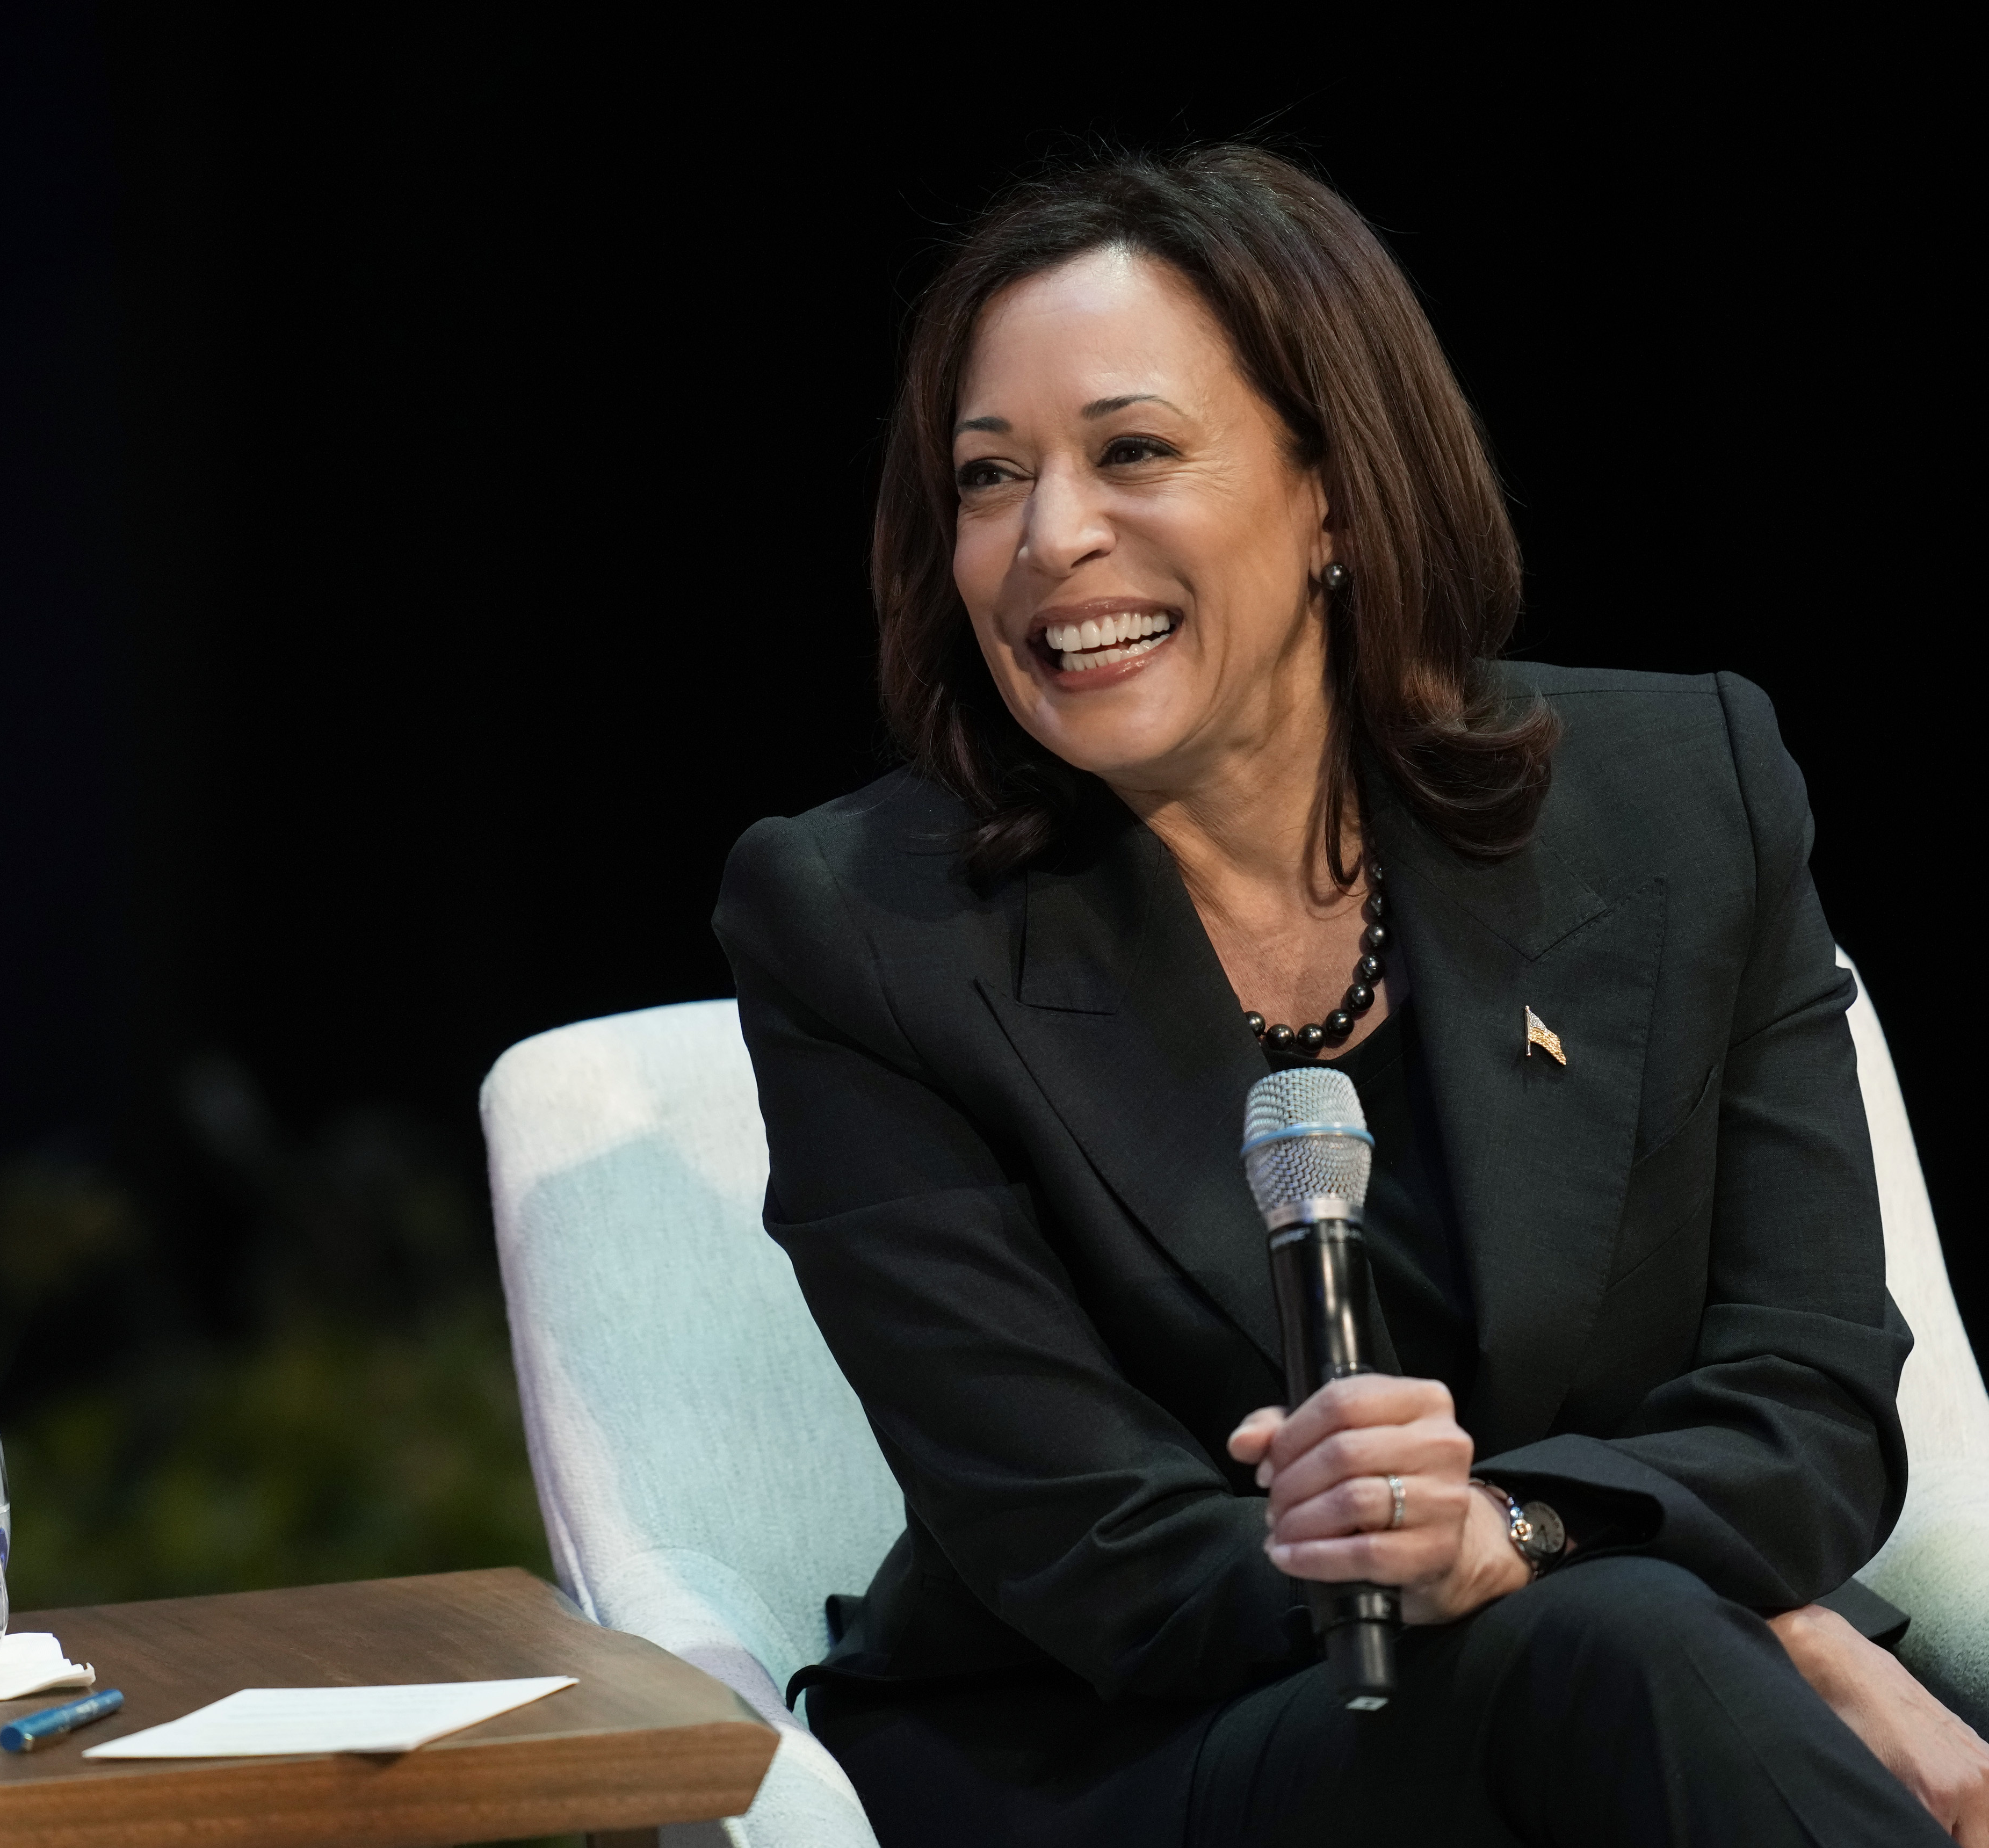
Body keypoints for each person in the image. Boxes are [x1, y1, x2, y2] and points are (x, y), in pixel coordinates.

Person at [712, 144, 1989, 1845]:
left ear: (1331, 487)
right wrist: (1656, 1598)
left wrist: (1520, 1535)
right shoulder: (857, 921)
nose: (1049, 537)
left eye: (1132, 451)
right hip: (1131, 1740)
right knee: (1623, 1654)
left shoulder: (1685, 792)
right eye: (986, 478)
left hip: (1634, 1674)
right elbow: (1087, 1541)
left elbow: (1810, 1396)